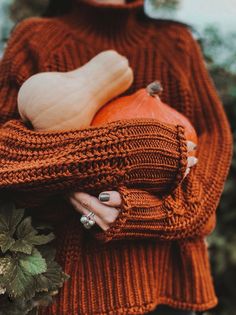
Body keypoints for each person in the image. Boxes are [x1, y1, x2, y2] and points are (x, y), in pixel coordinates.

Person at [0, 0, 232, 314]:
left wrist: (163, 214)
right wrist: (122, 149)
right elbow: (7, 153)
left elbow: (213, 138)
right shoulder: (37, 39)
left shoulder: (177, 44)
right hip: (71, 287)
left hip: (166, 280)